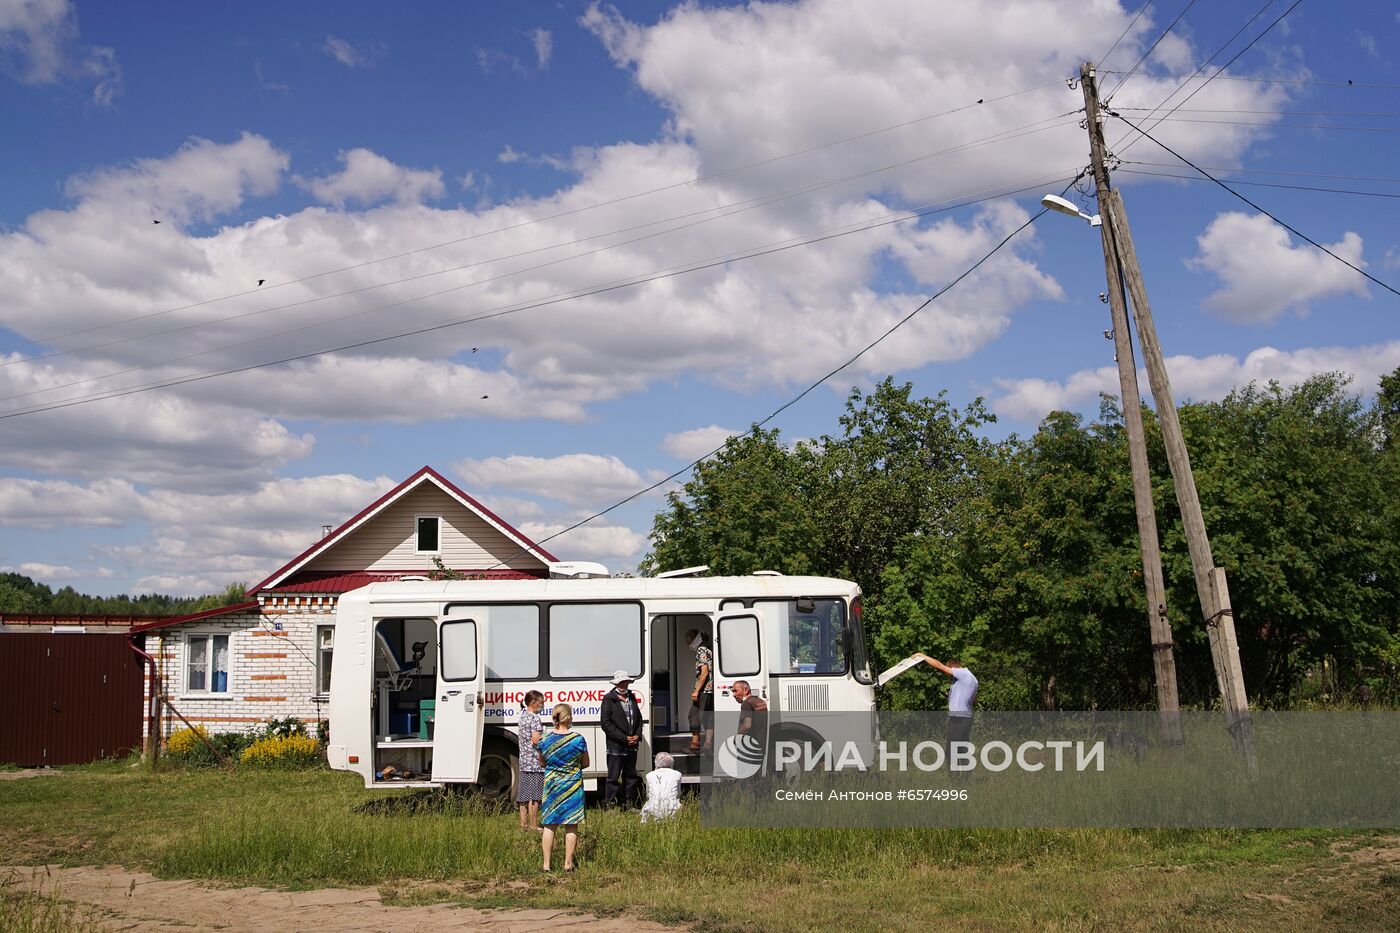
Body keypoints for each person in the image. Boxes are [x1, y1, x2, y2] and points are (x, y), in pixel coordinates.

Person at [538, 703, 589, 872]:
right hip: (572, 786)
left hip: (552, 786)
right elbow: (586, 763)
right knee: (571, 826)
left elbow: (542, 763)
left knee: (549, 826)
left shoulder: (544, 740)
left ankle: (546, 865)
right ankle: (568, 864)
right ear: (569, 718)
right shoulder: (578, 739)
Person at [919, 654, 978, 759]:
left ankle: (954, 775)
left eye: (949, 672)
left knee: (951, 752)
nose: (949, 676)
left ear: (953, 668)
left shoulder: (961, 673)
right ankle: (965, 775)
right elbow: (973, 701)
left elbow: (939, 665)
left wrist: (922, 656)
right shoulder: (972, 678)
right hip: (966, 717)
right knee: (962, 749)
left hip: (958, 717)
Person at [600, 669, 643, 810]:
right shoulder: (608, 698)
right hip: (615, 746)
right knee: (613, 778)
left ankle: (628, 805)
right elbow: (606, 724)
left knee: (631, 777)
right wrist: (624, 738)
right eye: (622, 682)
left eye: (626, 682)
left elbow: (639, 719)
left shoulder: (632, 697)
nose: (625, 685)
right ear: (617, 683)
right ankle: (610, 805)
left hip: (632, 746)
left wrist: (638, 735)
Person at [516, 690, 545, 830]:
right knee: (535, 795)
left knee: (523, 795)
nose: (543, 705)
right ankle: (534, 825)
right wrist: (546, 739)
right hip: (535, 762)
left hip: (523, 761)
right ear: (533, 703)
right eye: (541, 702)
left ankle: (523, 824)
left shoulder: (522, 716)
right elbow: (535, 740)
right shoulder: (535, 718)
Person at [686, 628, 713, 751]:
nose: (688, 645)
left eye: (688, 641)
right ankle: (708, 744)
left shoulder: (701, 649)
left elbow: (704, 672)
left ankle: (695, 743)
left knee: (694, 715)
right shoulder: (708, 648)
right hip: (712, 690)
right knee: (708, 717)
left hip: (704, 690)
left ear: (693, 639)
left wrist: (697, 690)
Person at [640, 752, 682, 822]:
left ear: (656, 763)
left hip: (653, 808)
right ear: (672, 764)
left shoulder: (649, 775)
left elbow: (648, 795)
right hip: (672, 809)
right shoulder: (677, 774)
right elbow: (678, 794)